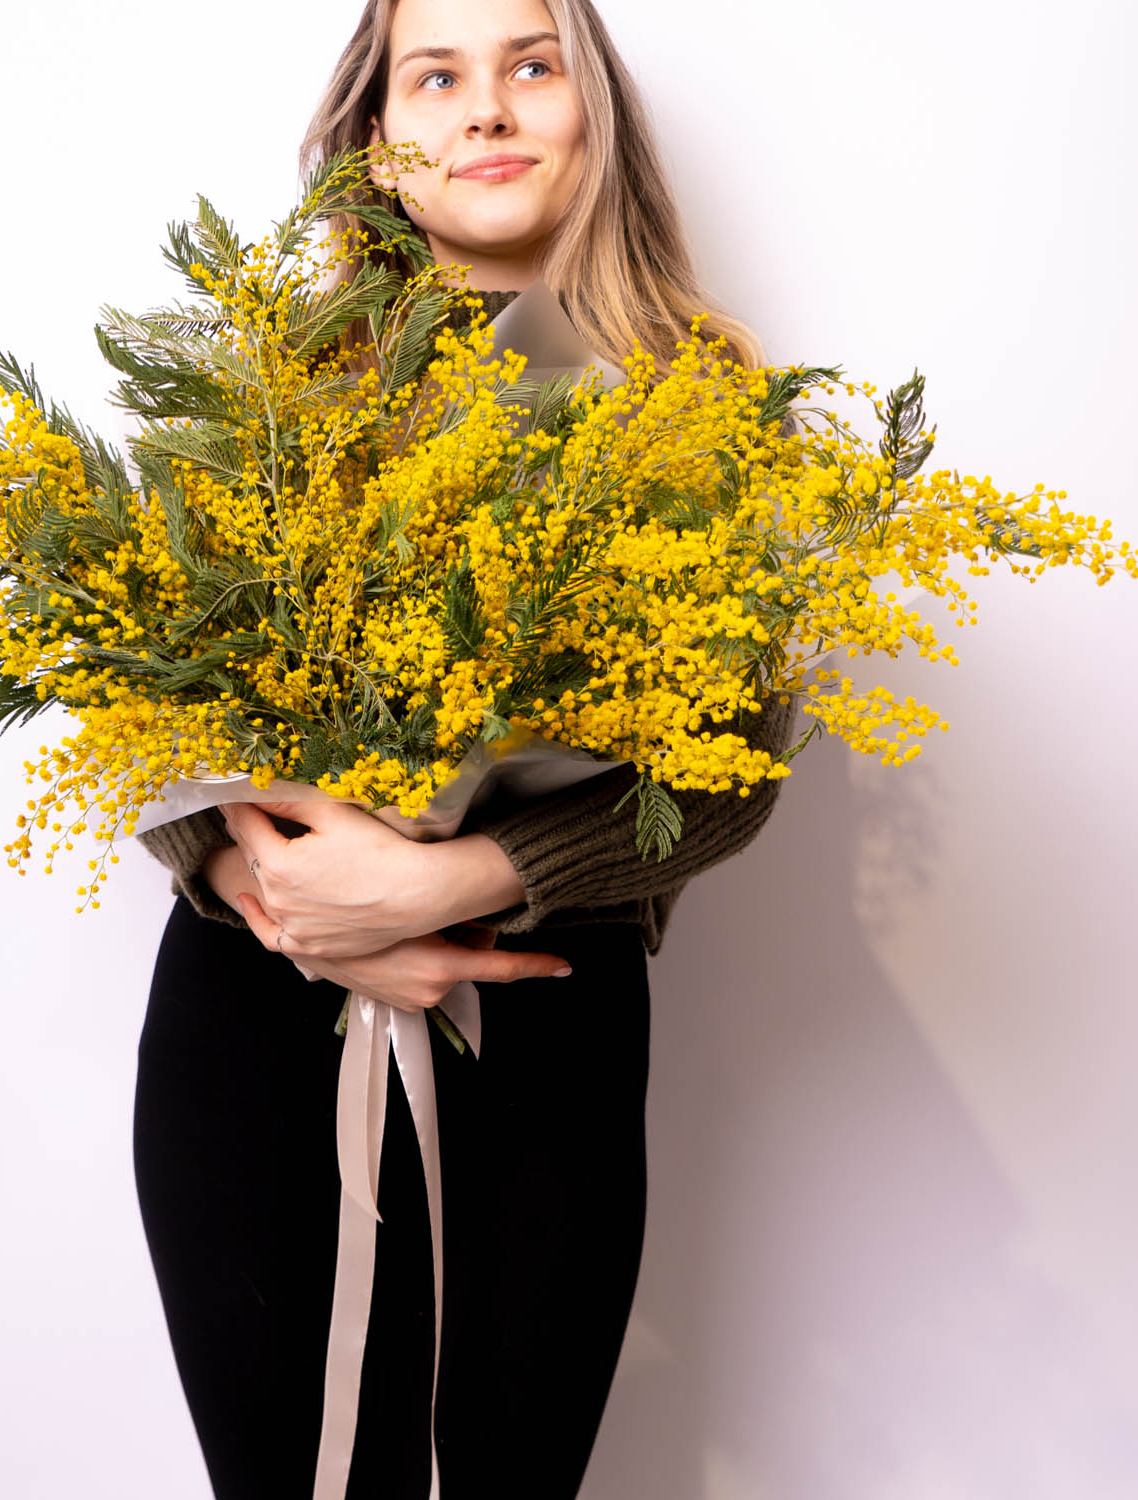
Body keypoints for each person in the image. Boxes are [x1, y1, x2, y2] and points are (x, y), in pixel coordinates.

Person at [133, 2, 800, 1496]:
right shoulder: (271, 393)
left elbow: (739, 760)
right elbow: (144, 697)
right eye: (436, 76)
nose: (486, 109)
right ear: (377, 139)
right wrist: (265, 886)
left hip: (545, 1017)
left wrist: (461, 879)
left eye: (531, 66)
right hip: (253, 1021)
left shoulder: (701, 404)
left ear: (591, 112)